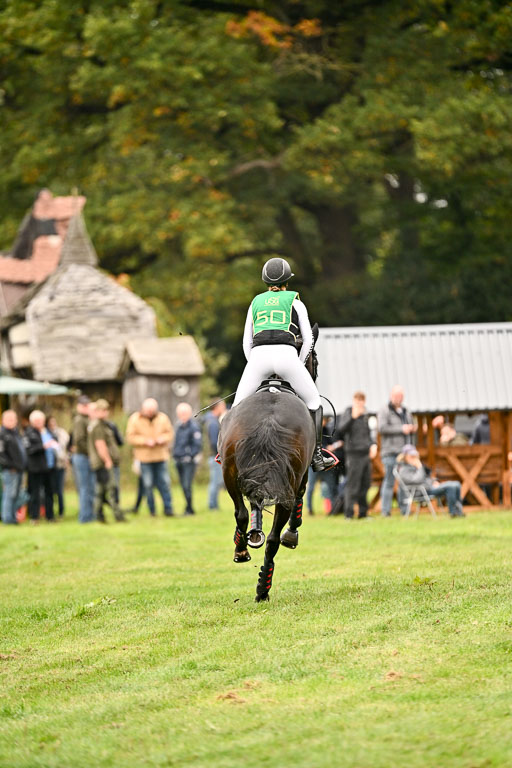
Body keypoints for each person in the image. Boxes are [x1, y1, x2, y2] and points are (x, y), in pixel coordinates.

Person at [232, 257, 335, 472]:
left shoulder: (255, 302)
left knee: (236, 407)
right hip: (287, 356)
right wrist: (296, 364)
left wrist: (254, 365)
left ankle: (226, 452)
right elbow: (308, 340)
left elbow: (246, 342)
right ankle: (316, 456)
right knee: (314, 401)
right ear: (287, 281)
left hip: (258, 357)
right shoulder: (296, 302)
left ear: (265, 281)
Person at [126, 398, 174, 517]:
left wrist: (162, 439)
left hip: (161, 457)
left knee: (165, 483)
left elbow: (170, 433)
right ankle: (152, 510)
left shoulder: (163, 418)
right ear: (143, 409)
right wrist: (145, 441)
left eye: (153, 410)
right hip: (144, 458)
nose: (150, 413)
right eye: (148, 410)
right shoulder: (134, 419)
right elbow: (130, 437)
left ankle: (168, 509)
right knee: (147, 484)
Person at [377, 385, 416, 517]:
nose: (398, 399)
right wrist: (401, 429)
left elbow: (410, 427)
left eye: (401, 396)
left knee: (404, 481)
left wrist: (411, 429)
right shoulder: (384, 410)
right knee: (389, 481)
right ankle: (385, 511)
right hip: (390, 452)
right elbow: (382, 428)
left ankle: (404, 510)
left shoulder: (406, 411)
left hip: (405, 454)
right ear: (391, 396)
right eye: (396, 396)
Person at [337, 391, 377, 520]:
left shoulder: (366, 415)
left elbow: (369, 434)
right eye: (357, 400)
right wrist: (353, 417)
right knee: (353, 485)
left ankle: (363, 513)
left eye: (362, 400)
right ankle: (348, 514)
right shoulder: (348, 412)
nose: (360, 403)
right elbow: (341, 430)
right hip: (353, 454)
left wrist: (373, 445)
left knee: (365, 484)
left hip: (365, 453)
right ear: (353, 401)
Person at [396, 444, 465, 517]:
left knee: (456, 484)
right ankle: (453, 512)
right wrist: (419, 467)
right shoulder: (404, 470)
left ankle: (458, 511)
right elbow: (417, 480)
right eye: (411, 456)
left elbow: (426, 478)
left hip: (429, 487)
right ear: (405, 456)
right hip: (422, 491)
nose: (414, 458)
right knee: (451, 487)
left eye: (414, 455)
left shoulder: (414, 466)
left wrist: (433, 482)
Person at [87, 399, 125, 523]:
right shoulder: (98, 426)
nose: (105, 412)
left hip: (101, 463)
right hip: (103, 463)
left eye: (106, 410)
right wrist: (107, 461)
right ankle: (116, 515)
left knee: (101, 490)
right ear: (97, 411)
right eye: (102, 410)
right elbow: (100, 445)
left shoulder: (103, 424)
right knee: (110, 489)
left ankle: (100, 515)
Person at [23, 410, 57, 523]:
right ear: (32, 421)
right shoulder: (28, 432)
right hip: (35, 468)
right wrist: (43, 446)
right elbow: (29, 449)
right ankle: (34, 517)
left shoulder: (48, 431)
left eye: (41, 420)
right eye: (37, 420)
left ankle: (50, 516)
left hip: (49, 467)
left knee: (50, 492)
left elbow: (55, 442)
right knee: (35, 493)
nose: (39, 422)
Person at [173, 402, 202, 516]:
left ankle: (189, 508)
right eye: (180, 413)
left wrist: (190, 455)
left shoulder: (193, 427)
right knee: (183, 485)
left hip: (188, 461)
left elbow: (198, 444)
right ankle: (188, 507)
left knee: (187, 485)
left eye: (184, 413)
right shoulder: (178, 426)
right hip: (178, 460)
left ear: (189, 413)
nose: (182, 415)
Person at [70, 395, 95, 523]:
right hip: (82, 456)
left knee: (90, 486)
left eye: (87, 405)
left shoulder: (87, 419)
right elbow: (79, 440)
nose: (86, 407)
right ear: (78, 406)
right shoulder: (80, 420)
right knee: (85, 487)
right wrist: (92, 453)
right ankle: (85, 517)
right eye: (83, 405)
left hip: (86, 456)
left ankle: (90, 514)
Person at [0, 410, 27, 525]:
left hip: (19, 469)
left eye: (14, 419)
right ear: (3, 420)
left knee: (16, 495)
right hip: (10, 470)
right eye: (9, 419)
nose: (12, 421)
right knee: (9, 494)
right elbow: (1, 455)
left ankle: (13, 517)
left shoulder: (15, 433)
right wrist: (10, 466)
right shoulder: (2, 434)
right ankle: (7, 518)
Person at [47, 415, 69, 517]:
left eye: (53, 423)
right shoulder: (45, 434)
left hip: (60, 465)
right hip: (50, 467)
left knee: (60, 490)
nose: (52, 425)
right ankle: (50, 512)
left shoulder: (61, 433)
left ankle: (61, 511)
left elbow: (66, 445)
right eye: (50, 423)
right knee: (50, 490)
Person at [206, 400, 226, 510]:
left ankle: (213, 504)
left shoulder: (213, 420)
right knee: (215, 482)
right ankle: (212, 505)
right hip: (215, 457)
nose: (224, 408)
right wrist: (221, 453)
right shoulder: (213, 422)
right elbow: (214, 442)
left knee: (216, 481)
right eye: (222, 406)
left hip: (215, 456)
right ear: (216, 407)